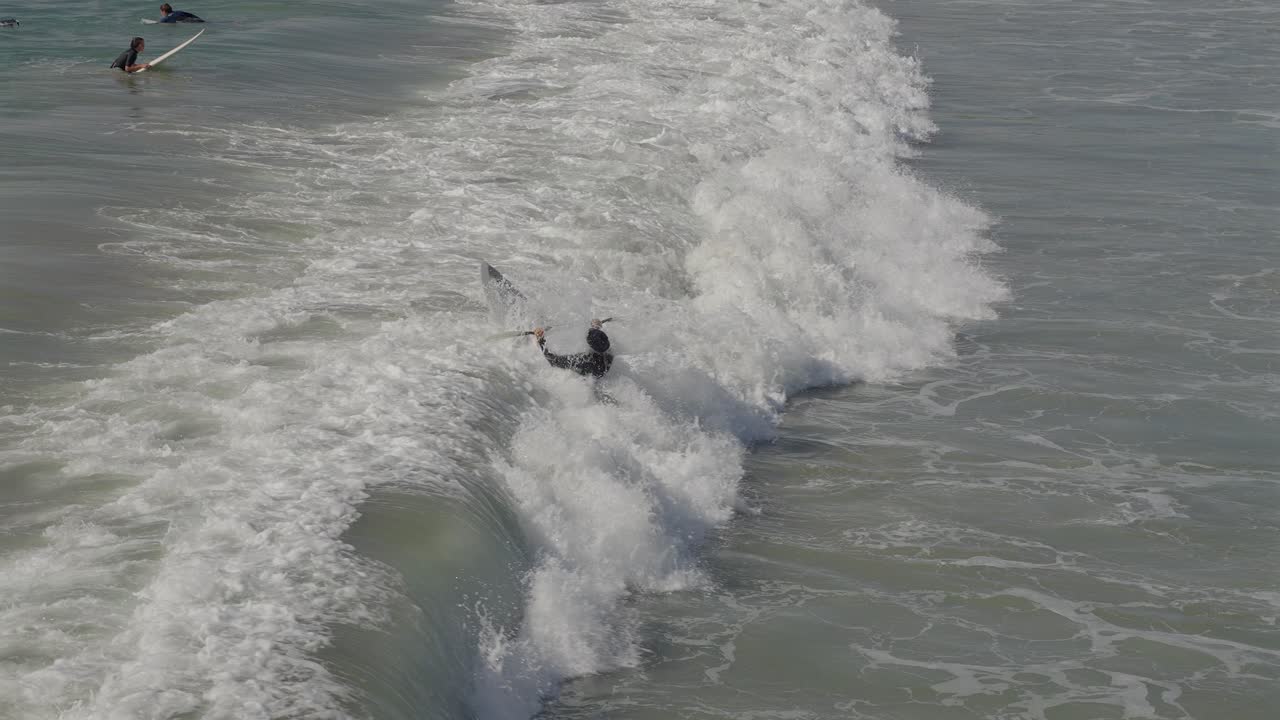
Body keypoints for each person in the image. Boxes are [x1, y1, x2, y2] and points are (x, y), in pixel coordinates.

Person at [532, 319, 613, 379]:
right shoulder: (608, 352)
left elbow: (553, 361)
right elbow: (598, 341)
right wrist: (596, 327)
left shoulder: (584, 360)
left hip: (586, 379)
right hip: (601, 373)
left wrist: (540, 339)